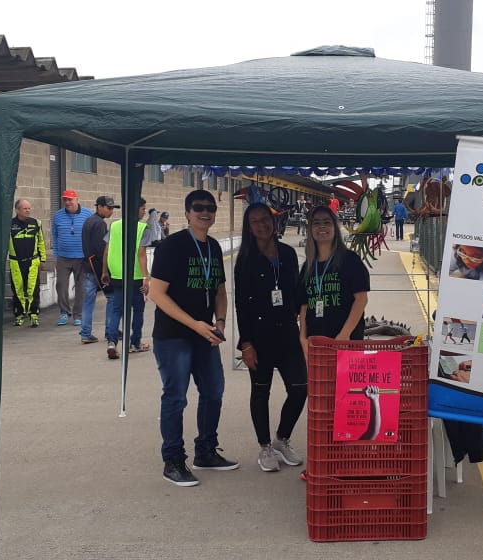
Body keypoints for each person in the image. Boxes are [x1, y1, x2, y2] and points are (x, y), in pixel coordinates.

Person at [148, 190, 236, 487]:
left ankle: (206, 451)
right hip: (173, 336)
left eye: (210, 208)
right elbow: (157, 294)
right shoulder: (171, 247)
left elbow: (220, 291)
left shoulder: (212, 246)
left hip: (205, 333)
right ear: (187, 213)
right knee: (175, 397)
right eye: (198, 208)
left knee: (213, 392)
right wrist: (194, 325)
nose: (205, 212)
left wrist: (219, 323)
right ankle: (173, 460)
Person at [234, 202, 307, 473]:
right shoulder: (245, 260)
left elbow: (297, 293)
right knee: (260, 391)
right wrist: (246, 344)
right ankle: (264, 446)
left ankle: (281, 439)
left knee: (300, 387)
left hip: (287, 334)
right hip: (259, 337)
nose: (262, 225)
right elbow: (242, 304)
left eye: (265, 219)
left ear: (273, 221)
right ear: (249, 227)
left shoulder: (288, 254)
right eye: (255, 221)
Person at [297, 205, 371, 356]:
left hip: (347, 342)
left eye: (327, 222)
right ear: (310, 229)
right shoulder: (308, 267)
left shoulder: (350, 260)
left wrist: (343, 336)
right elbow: (304, 306)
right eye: (316, 223)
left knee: (344, 380)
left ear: (335, 228)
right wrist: (303, 338)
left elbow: (361, 299)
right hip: (316, 343)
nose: (321, 226)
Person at [102, 199, 150, 359]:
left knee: (117, 310)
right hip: (135, 276)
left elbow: (107, 250)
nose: (144, 212)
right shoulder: (143, 228)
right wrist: (146, 277)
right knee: (138, 310)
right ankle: (135, 342)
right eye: (143, 209)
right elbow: (141, 254)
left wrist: (104, 271)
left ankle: (112, 342)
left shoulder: (114, 226)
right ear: (135, 209)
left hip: (116, 275)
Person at [78, 196, 118, 344]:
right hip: (98, 267)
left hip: (87, 265)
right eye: (109, 208)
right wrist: (106, 270)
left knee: (88, 300)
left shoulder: (89, 221)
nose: (111, 211)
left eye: (112, 208)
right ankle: (110, 330)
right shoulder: (99, 224)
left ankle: (85, 332)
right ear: (99, 207)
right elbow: (102, 249)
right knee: (112, 298)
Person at [51, 189, 93, 326]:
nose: (67, 202)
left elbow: (92, 234)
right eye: (65, 200)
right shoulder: (57, 216)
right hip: (63, 257)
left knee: (81, 287)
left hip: (82, 258)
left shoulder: (87, 214)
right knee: (61, 285)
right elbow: (55, 237)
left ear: (77, 200)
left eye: (70, 199)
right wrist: (56, 257)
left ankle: (78, 315)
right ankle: (64, 312)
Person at [8, 199, 46, 327]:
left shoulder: (36, 223)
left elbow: (41, 241)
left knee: (33, 289)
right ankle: (19, 315)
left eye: (29, 208)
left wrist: (43, 259)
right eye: (25, 208)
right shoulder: (9, 224)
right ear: (17, 210)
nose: (28, 210)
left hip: (32, 261)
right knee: (17, 290)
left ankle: (34, 315)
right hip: (16, 262)